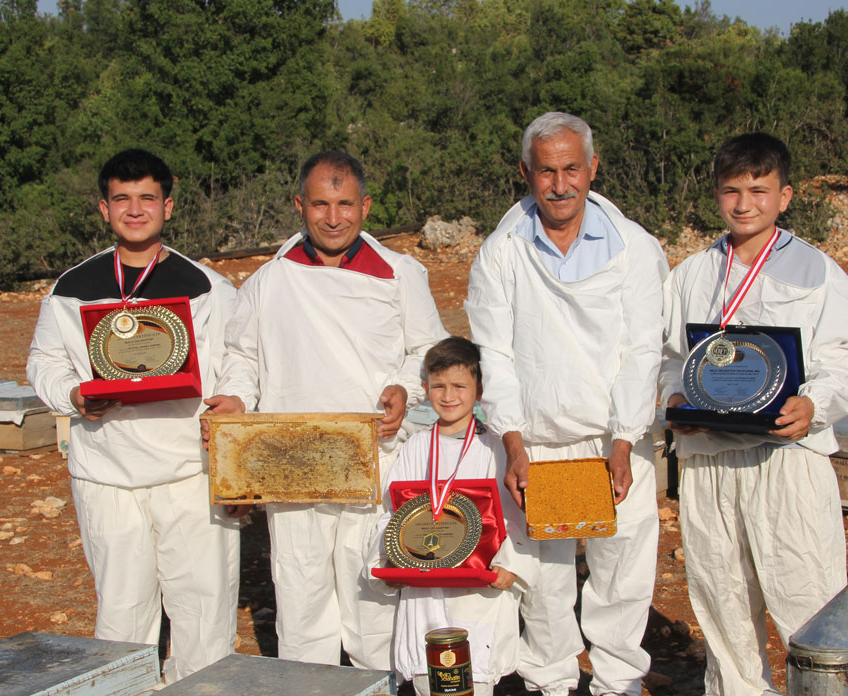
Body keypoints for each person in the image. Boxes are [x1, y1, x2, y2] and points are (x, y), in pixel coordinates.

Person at [204, 150, 449, 670]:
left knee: (372, 601)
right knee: (301, 598)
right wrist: (237, 400)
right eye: (320, 204)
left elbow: (427, 354)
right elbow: (244, 355)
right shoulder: (271, 280)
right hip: (291, 461)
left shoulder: (401, 274)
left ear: (365, 206)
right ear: (300, 205)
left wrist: (405, 390)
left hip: (373, 459)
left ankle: (378, 681)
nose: (332, 218)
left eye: (344, 204)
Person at [464, 112, 668, 696]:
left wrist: (626, 438)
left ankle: (618, 684)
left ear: (593, 168)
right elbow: (494, 353)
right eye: (546, 171)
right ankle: (550, 682)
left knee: (621, 567)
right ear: (525, 172)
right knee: (546, 577)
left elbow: (640, 349)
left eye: (572, 168)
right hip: (535, 442)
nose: (560, 185)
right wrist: (512, 440)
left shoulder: (634, 248)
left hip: (613, 441)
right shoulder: (501, 252)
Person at [658, 132, 848, 696]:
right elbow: (668, 358)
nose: (744, 203)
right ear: (717, 196)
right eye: (731, 190)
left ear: (786, 195)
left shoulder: (819, 273)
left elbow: (842, 357)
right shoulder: (689, 275)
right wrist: (676, 400)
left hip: (787, 459)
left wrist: (815, 403)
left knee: (808, 595)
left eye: (759, 189)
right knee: (722, 602)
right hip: (707, 461)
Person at [27, 148, 240, 681]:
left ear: (168, 206)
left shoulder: (208, 286)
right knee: (122, 610)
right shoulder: (71, 288)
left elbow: (242, 357)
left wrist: (235, 398)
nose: (135, 209)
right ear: (104, 209)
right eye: (122, 199)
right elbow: (43, 361)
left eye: (147, 197)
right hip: (106, 472)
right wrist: (73, 394)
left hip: (191, 471)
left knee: (203, 608)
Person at [366, 336, 539, 696]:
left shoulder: (494, 448)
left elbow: (517, 517)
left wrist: (512, 565)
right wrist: (388, 561)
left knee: (475, 673)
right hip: (424, 585)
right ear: (425, 388)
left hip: (478, 587)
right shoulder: (415, 447)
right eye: (438, 386)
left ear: (480, 391)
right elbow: (392, 513)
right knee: (427, 673)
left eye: (460, 386)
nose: (448, 396)